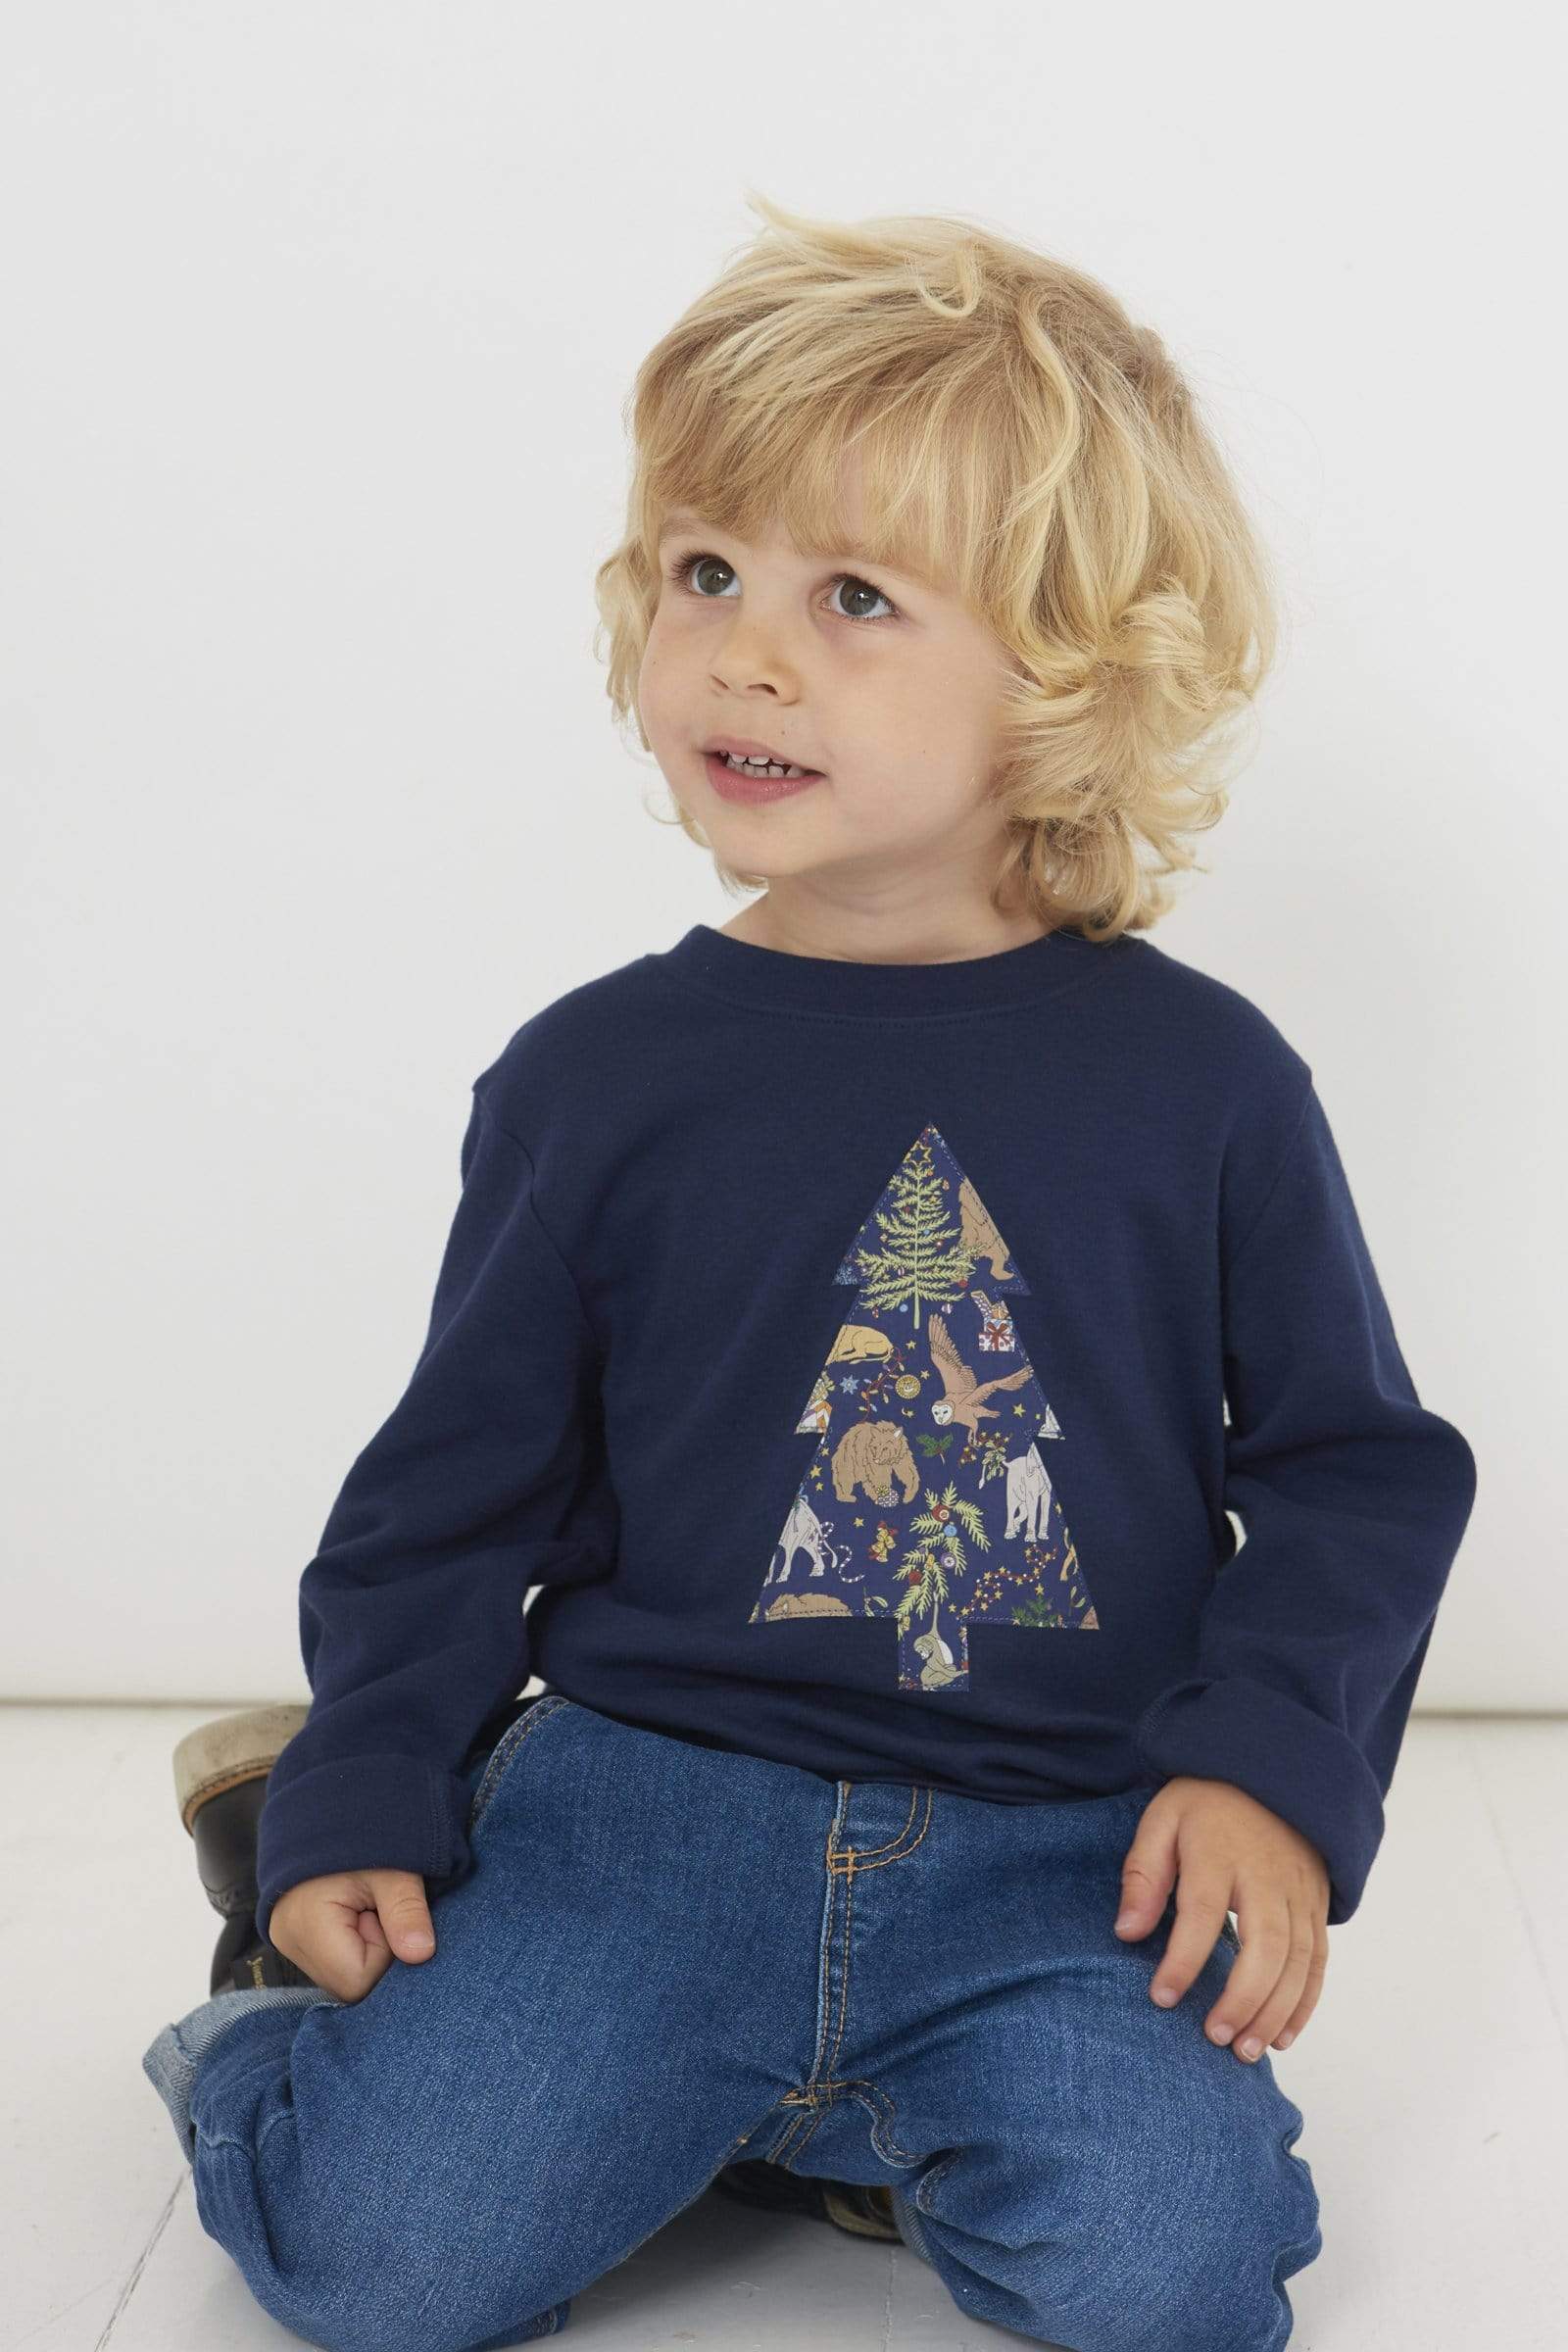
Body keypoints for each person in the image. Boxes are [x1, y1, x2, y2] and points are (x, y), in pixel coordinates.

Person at [142, 191, 1477, 2352]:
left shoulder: (1203, 1084)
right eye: (704, 574)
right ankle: (270, 1993)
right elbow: (453, 1488)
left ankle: (830, 2113)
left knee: (1169, 2294)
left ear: (1065, 675)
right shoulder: (592, 1079)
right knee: (383, 2266)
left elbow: (1350, 1470)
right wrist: (367, 1778)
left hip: (1063, 1846)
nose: (745, 652)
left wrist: (1268, 1770)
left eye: (853, 596)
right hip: (641, 1815)